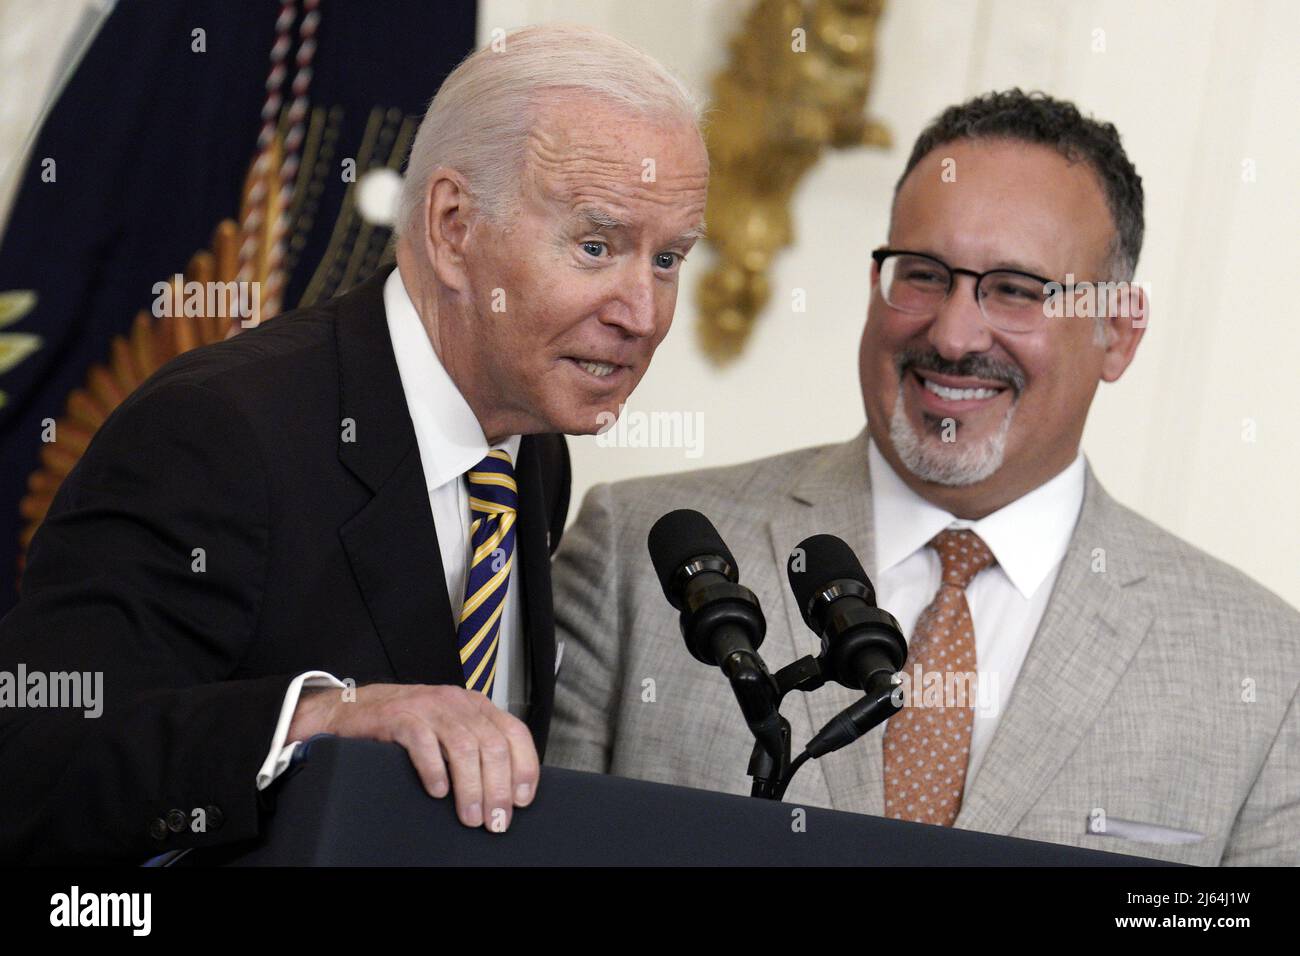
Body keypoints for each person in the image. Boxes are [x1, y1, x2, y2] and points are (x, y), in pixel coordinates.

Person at [0, 23, 708, 864]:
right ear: (453, 226)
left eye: (667, 260)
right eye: (597, 247)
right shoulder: (222, 431)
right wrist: (318, 720)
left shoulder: (531, 451)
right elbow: (34, 761)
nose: (644, 315)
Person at [546, 90, 1299, 865]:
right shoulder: (634, 551)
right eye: (924, 275)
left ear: (1118, 333)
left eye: (1016, 289)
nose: (953, 332)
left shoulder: (1264, 671)